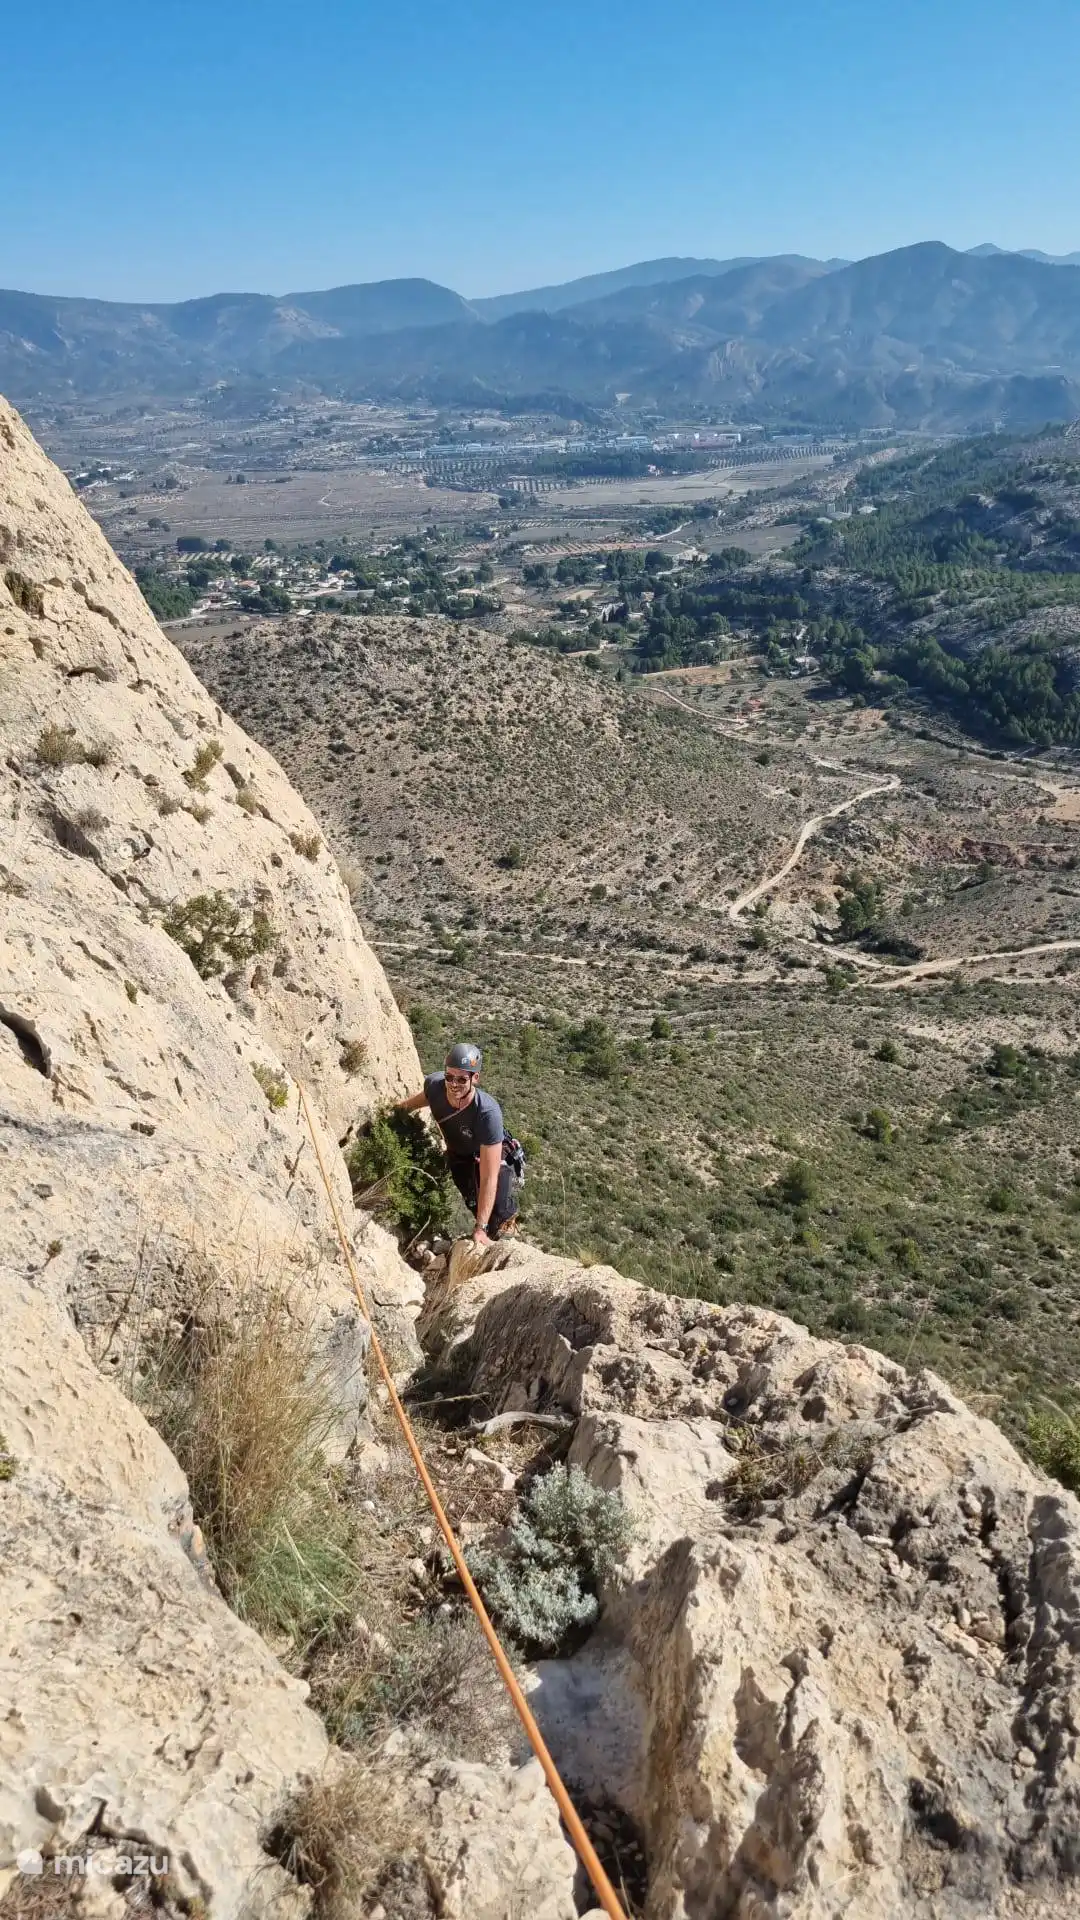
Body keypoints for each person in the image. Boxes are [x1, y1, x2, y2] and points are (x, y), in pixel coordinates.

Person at [396, 1042, 520, 1246]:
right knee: (473, 1201)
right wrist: (386, 1114)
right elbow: (406, 1106)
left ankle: (505, 1236)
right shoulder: (435, 1086)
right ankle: (486, 1234)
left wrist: (480, 1229)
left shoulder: (487, 1113)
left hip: (489, 1156)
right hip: (460, 1157)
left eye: (462, 1079)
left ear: (475, 1078)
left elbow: (489, 1176)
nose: (454, 1084)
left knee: (498, 1212)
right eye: (449, 1077)